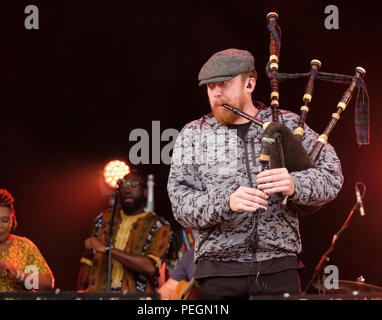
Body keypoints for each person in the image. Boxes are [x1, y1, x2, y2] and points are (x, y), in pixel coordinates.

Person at [167, 48, 343, 299]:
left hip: (278, 268)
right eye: (209, 87)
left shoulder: (288, 124)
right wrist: (226, 202)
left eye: (224, 84)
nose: (216, 93)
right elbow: (180, 203)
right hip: (217, 273)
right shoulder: (194, 134)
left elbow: (332, 175)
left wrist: (295, 183)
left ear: (249, 83)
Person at [77, 168, 171, 293]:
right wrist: (79, 293)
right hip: (98, 295)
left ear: (145, 192)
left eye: (134, 185)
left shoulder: (159, 225)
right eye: (122, 184)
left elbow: (150, 267)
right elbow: (87, 261)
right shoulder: (103, 219)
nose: (127, 189)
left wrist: (107, 250)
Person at [0, 188, 54, 292]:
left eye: (5, 220)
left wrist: (19, 276)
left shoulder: (24, 246)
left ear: (12, 219)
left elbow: (48, 284)